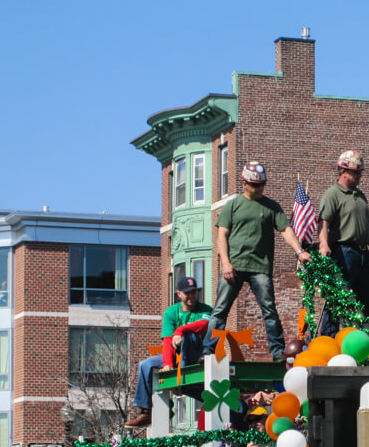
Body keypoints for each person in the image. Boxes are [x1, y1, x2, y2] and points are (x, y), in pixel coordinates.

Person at [202, 161, 311, 361]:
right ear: (244, 183)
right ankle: (208, 350)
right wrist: (225, 262)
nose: (259, 188)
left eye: (262, 185)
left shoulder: (271, 207)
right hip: (233, 266)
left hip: (260, 267)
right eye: (255, 185)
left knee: (269, 309)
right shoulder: (233, 205)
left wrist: (300, 251)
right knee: (220, 309)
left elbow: (286, 230)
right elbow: (221, 235)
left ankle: (278, 351)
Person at [124, 276, 212, 428]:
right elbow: (167, 340)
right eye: (187, 293)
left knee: (188, 335)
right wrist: (168, 363)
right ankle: (146, 411)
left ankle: (181, 376)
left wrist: (180, 330)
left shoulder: (206, 310)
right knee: (145, 365)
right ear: (179, 294)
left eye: (194, 292)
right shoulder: (171, 312)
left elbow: (204, 325)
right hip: (175, 356)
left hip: (196, 356)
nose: (191, 296)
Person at [318, 150, 369, 335]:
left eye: (360, 173)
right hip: (343, 252)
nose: (360, 177)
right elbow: (323, 222)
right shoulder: (332, 194)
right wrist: (323, 244)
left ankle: (365, 340)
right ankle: (327, 340)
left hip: (363, 254)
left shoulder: (360, 196)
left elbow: (367, 228)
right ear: (343, 172)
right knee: (338, 299)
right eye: (356, 172)